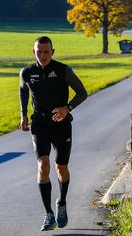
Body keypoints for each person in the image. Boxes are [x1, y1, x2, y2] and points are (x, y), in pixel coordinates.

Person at [19, 36, 88, 231]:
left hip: (61, 124)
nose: (42, 55)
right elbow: (23, 91)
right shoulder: (26, 72)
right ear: (33, 52)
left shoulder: (63, 70)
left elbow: (82, 92)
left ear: (53, 51)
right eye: (38, 51)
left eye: (46, 51)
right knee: (43, 166)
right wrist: (23, 114)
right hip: (39, 123)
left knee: (61, 167)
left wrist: (67, 108)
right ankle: (48, 214)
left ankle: (62, 203)